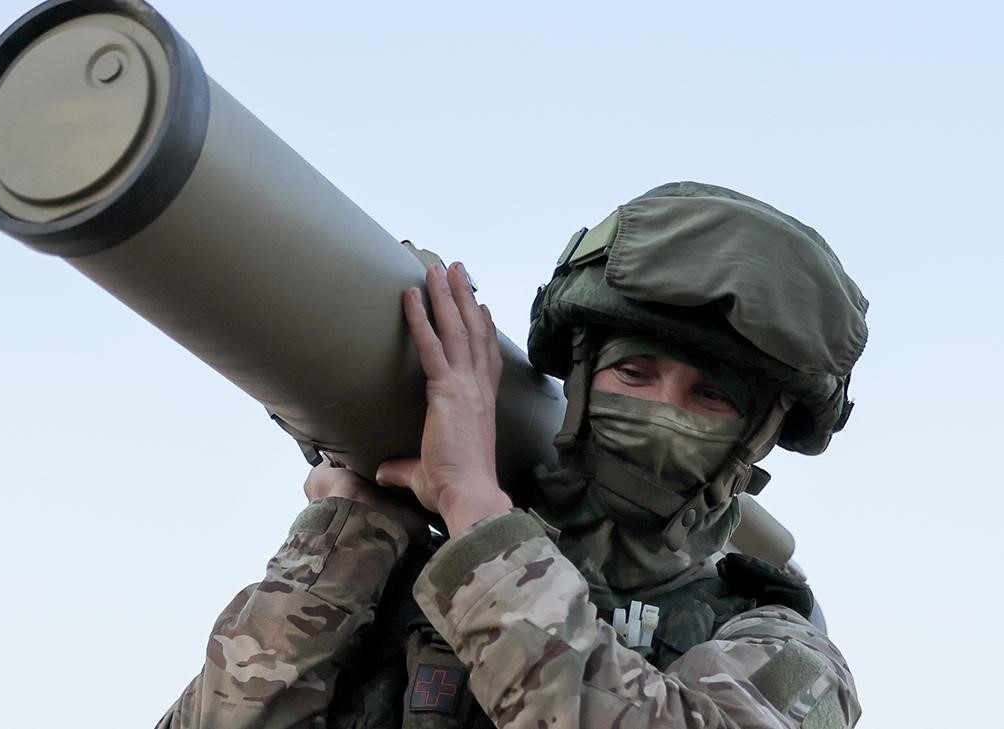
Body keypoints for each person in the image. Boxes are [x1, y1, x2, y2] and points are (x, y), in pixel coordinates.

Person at [157, 181, 868, 728]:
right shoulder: (407, 579)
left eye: (710, 395)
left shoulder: (787, 654)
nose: (662, 411)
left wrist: (474, 508)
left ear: (755, 436)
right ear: (582, 382)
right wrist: (345, 541)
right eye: (633, 373)